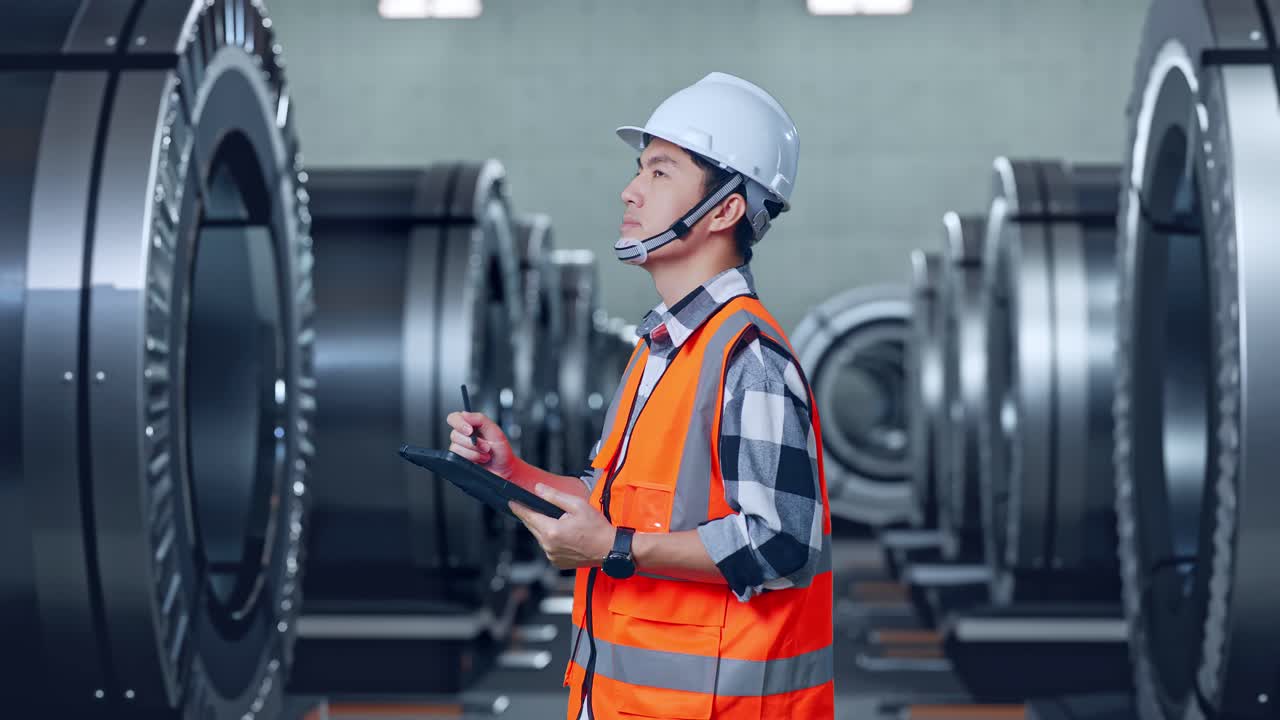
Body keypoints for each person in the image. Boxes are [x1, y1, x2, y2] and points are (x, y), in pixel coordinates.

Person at [446, 72, 834, 720]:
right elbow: (614, 511)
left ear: (726, 210)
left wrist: (615, 549)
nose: (630, 191)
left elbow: (780, 544)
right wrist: (509, 473)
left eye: (660, 173)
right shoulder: (659, 349)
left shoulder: (749, 359)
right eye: (639, 170)